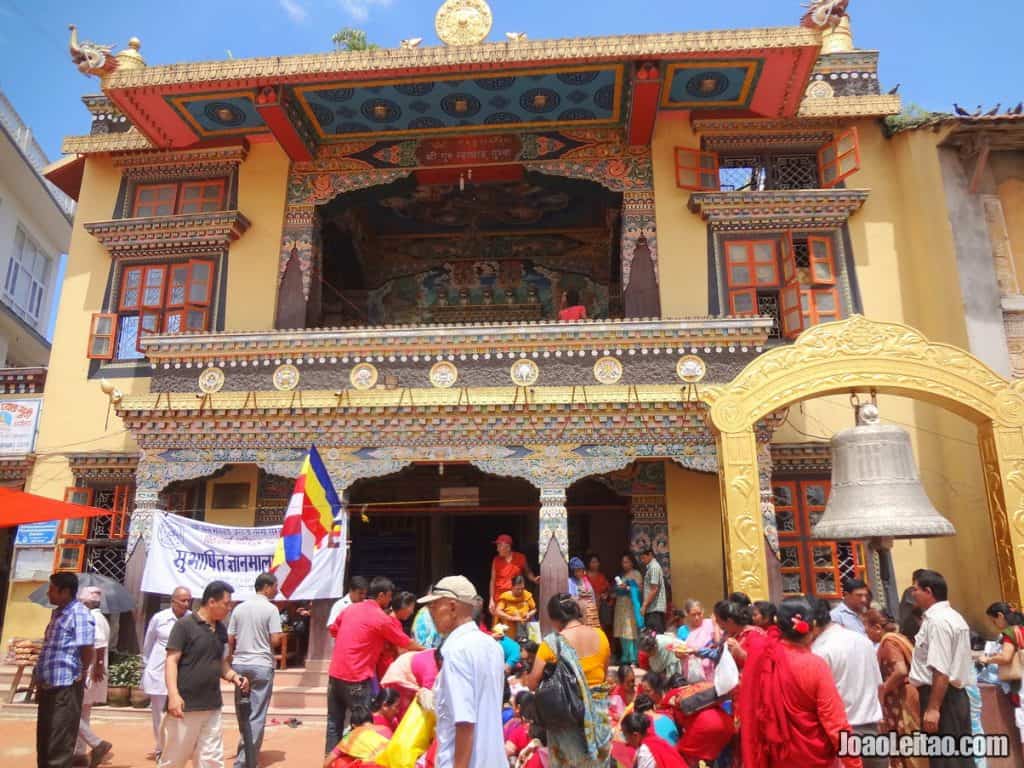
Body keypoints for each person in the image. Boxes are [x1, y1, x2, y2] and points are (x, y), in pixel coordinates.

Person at [738, 595, 861, 768]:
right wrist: (854, 763)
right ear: (813, 626)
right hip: (814, 760)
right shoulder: (815, 665)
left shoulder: (764, 658)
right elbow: (836, 724)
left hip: (777, 760)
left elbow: (751, 710)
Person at [326, 576, 422, 754]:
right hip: (357, 676)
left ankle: (330, 760)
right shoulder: (380, 618)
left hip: (335, 673)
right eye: (389, 596)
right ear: (382, 595)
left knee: (334, 722)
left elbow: (333, 630)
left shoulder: (351, 609)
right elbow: (405, 643)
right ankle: (356, 761)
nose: (390, 600)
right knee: (362, 726)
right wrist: (427, 650)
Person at [160, 580, 250, 768]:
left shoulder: (221, 629)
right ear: (211, 602)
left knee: (211, 760)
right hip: (186, 705)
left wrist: (235, 677)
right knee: (175, 759)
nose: (229, 608)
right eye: (226, 604)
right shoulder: (184, 626)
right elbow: (171, 661)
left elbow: (221, 663)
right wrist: (174, 695)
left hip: (212, 704)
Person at [419, 575, 506, 768]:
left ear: (452, 607)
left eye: (434, 605)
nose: (430, 612)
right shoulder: (492, 646)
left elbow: (464, 721)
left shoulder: (456, 651)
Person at [525, 593, 612, 768]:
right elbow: (603, 674)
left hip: (568, 723)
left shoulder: (552, 644)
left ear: (555, 619)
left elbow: (532, 683)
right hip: (599, 723)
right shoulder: (601, 636)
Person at [909, 570, 975, 767]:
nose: (913, 594)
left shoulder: (938, 622)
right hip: (952, 696)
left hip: (942, 697)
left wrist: (933, 708)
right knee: (959, 757)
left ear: (928, 591)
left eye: (916, 589)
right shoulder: (952, 616)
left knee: (947, 760)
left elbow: (941, 669)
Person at [810, 597, 885, 768]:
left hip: (841, 734)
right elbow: (879, 686)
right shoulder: (864, 641)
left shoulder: (819, 651)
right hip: (871, 730)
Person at [36, 571, 95, 768]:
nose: (48, 594)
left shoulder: (79, 614)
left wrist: (82, 671)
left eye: (52, 590)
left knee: (59, 740)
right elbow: (49, 648)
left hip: (66, 686)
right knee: (45, 736)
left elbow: (87, 647)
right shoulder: (57, 613)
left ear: (65, 591)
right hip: (48, 684)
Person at [227, 572, 283, 768]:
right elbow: (275, 640)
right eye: (275, 586)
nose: (277, 590)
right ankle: (246, 760)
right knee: (257, 714)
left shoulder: (239, 609)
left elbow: (230, 638)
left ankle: (245, 752)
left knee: (243, 711)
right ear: (266, 587)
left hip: (240, 664)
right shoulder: (271, 609)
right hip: (261, 665)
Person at [864, 608, 924, 768]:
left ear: (877, 627)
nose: (866, 634)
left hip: (901, 697)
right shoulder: (899, 637)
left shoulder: (888, 641)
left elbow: (900, 670)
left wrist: (883, 689)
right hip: (907, 693)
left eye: (867, 629)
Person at [142, 587, 192, 759]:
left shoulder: (192, 619)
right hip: (158, 672)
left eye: (188, 600)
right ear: (173, 601)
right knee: (159, 714)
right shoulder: (159, 618)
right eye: (183, 600)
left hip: (182, 673)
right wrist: (149, 665)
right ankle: (161, 748)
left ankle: (177, 748)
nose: (186, 604)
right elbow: (148, 644)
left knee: (180, 712)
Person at [74, 586, 112, 768]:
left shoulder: (93, 618)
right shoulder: (100, 617)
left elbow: (100, 643)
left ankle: (96, 743)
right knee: (83, 712)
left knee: (71, 712)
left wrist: (96, 666)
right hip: (93, 670)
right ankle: (79, 754)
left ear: (88, 603)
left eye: (82, 603)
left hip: (90, 671)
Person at [322, 704, 389, 768]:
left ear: (354, 725)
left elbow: (328, 761)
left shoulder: (353, 735)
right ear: (371, 720)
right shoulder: (386, 729)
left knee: (341, 762)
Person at [489, 534, 538, 616]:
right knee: (499, 627)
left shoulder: (520, 558)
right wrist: (491, 599)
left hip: (515, 598)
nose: (497, 549)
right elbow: (492, 580)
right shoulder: (496, 560)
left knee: (515, 622)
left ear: (508, 547)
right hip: (499, 598)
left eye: (499, 546)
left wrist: (534, 579)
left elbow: (527, 572)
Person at [621, 711, 689, 768]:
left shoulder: (645, 751)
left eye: (625, 736)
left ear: (635, 735)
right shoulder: (654, 739)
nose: (626, 741)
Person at [674, 599, 720, 681]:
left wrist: (716, 626)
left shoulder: (710, 624)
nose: (697, 617)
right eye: (693, 615)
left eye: (699, 614)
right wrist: (680, 654)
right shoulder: (683, 630)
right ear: (687, 614)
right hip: (691, 671)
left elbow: (719, 644)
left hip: (710, 670)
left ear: (703, 612)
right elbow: (678, 651)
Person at [712, 599, 764, 670]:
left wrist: (740, 653)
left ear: (730, 621)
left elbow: (761, 663)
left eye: (719, 622)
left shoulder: (754, 634)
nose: (719, 626)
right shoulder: (730, 634)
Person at [614, 552, 644, 665]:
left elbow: (640, 590)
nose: (624, 564)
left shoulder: (636, 574)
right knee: (622, 631)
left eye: (626, 562)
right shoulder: (623, 575)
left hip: (630, 607)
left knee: (630, 631)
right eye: (623, 562)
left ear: (632, 563)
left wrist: (627, 587)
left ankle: (633, 658)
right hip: (621, 606)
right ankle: (625, 657)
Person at [979, 601, 1024, 674]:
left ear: (1000, 616)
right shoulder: (1021, 627)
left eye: (994, 621)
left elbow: (1005, 658)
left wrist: (987, 659)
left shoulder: (1011, 632)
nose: (994, 624)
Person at [494, 574, 537, 639]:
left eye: (522, 588)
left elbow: (534, 609)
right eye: (517, 589)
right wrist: (511, 618)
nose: (520, 591)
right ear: (512, 587)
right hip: (509, 630)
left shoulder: (527, 595)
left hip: (524, 628)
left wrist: (529, 614)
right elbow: (498, 611)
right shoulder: (506, 597)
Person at [638, 548, 667, 634]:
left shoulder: (653, 567)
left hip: (654, 609)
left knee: (655, 637)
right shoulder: (651, 568)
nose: (642, 560)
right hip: (652, 609)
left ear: (650, 555)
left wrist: (644, 605)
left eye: (644, 557)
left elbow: (654, 589)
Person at [568, 556, 600, 627]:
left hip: (590, 612)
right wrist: (580, 598)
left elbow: (592, 596)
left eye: (581, 570)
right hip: (578, 613)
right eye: (577, 571)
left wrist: (594, 608)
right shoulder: (570, 582)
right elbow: (570, 597)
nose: (579, 573)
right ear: (573, 572)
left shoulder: (585, 581)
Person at [585, 554, 612, 629]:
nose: (595, 564)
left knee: (601, 628)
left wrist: (605, 594)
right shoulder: (584, 576)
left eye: (596, 562)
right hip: (589, 607)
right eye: (592, 562)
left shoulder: (601, 576)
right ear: (588, 563)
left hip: (601, 607)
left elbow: (608, 589)